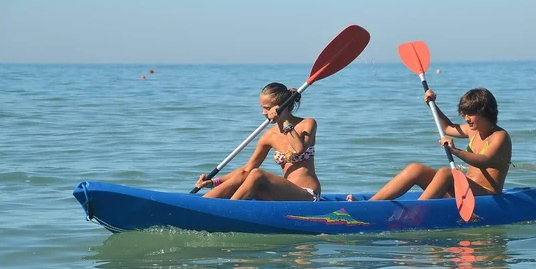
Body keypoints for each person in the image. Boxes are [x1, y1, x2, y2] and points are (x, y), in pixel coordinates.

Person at [348, 87, 512, 201]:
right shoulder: (472, 131)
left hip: (486, 195)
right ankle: (371, 205)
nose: (466, 119)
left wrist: (456, 151)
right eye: (465, 114)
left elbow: (486, 159)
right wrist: (432, 105)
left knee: (447, 173)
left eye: (471, 114)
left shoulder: (500, 136)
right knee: (416, 168)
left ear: (485, 112)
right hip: (464, 191)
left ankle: (416, 212)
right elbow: (447, 127)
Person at [195, 82, 321, 201]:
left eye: (267, 108)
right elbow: (246, 169)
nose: (263, 113)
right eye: (262, 108)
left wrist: (284, 120)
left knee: (257, 174)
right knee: (245, 174)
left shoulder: (307, 123)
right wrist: (213, 182)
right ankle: (203, 204)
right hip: (282, 195)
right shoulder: (269, 136)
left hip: (307, 195)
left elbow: (299, 149)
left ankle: (228, 210)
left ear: (283, 106)